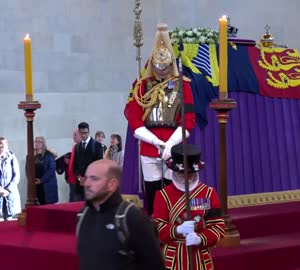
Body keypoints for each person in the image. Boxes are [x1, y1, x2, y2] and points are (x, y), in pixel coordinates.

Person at [124, 23, 196, 215]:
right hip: (149, 144)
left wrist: (171, 144)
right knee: (152, 190)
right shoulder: (140, 86)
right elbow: (134, 120)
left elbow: (188, 120)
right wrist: (156, 142)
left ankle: (174, 221)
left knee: (173, 188)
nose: (162, 71)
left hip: (174, 143)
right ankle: (155, 223)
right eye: (158, 67)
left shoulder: (184, 86)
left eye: (165, 68)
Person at [77, 159, 164, 270]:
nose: (87, 184)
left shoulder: (132, 218)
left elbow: (154, 265)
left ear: (112, 184)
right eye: (86, 178)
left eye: (94, 179)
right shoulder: (83, 216)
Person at [153, 144, 225, 270]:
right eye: (181, 173)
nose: (185, 177)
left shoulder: (208, 193)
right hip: (172, 260)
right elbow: (157, 228)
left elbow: (218, 226)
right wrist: (176, 230)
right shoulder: (163, 195)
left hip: (199, 258)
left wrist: (200, 238)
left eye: (189, 173)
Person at [0, 137, 21, 222]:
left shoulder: (12, 157)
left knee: (8, 216)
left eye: (4, 145)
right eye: (0, 146)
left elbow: (16, 175)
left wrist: (7, 190)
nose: (2, 148)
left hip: (9, 192)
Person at [72, 122, 104, 201]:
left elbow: (99, 165)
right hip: (80, 185)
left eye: (85, 133)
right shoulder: (77, 146)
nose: (83, 135)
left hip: (92, 184)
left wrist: (88, 178)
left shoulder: (97, 145)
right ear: (79, 132)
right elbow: (75, 165)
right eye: (81, 133)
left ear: (89, 132)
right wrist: (79, 178)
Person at [32, 136, 58, 205]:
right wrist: (31, 179)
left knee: (47, 205)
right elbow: (28, 169)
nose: (37, 143)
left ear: (43, 143)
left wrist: (41, 180)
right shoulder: (31, 155)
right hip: (35, 184)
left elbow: (51, 170)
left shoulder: (49, 155)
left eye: (39, 142)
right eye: (36, 141)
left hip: (46, 184)